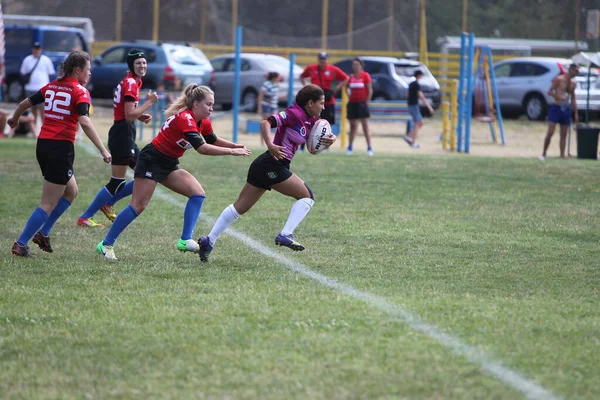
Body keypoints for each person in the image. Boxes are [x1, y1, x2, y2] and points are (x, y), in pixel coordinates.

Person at [96, 84, 251, 261]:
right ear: (196, 104)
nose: (211, 108)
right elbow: (202, 148)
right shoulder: (185, 118)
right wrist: (232, 152)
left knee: (197, 193)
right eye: (208, 104)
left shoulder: (203, 120)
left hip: (168, 163)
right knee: (138, 205)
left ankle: (184, 240)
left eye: (212, 104)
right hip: (152, 160)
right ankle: (106, 244)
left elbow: (212, 139)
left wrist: (235, 146)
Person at [197, 84, 336, 262]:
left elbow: (314, 144)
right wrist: (270, 144)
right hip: (272, 165)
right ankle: (286, 234)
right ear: (310, 103)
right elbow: (265, 122)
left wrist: (331, 139)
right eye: (321, 103)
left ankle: (209, 241)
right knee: (307, 196)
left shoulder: (311, 118)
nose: (323, 107)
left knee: (239, 207)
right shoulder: (294, 114)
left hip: (265, 165)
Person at [10, 51, 111, 257]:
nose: (89, 73)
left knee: (71, 191)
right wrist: (103, 149)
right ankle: (20, 243)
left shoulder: (51, 86)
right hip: (59, 148)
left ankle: (43, 233)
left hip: (44, 145)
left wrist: (14, 119)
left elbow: (24, 104)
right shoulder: (80, 91)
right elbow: (84, 120)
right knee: (48, 202)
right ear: (77, 70)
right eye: (88, 69)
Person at [77, 49, 158, 228]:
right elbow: (128, 115)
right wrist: (149, 103)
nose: (142, 66)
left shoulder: (133, 81)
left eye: (144, 63)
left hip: (126, 131)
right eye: (138, 63)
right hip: (122, 134)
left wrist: (140, 115)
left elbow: (127, 113)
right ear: (131, 66)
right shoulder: (130, 83)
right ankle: (86, 216)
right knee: (118, 180)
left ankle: (108, 204)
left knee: (145, 173)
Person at [299, 52, 348, 150]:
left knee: (327, 124)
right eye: (321, 59)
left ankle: (325, 147)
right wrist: (306, 87)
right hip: (314, 99)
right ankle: (303, 146)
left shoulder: (333, 69)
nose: (323, 61)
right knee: (308, 122)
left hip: (328, 100)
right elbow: (302, 76)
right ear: (318, 60)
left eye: (324, 59)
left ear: (327, 60)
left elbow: (346, 78)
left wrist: (337, 87)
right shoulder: (312, 68)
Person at [540, 63, 579, 160]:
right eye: (576, 71)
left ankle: (562, 154)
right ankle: (544, 153)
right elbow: (550, 92)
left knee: (564, 134)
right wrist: (559, 97)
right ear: (571, 70)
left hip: (566, 109)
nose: (577, 73)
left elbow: (573, 98)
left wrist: (576, 113)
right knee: (550, 132)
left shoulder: (573, 83)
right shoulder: (559, 79)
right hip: (556, 108)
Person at [20, 42, 56, 128]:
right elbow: (23, 72)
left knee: (43, 109)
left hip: (42, 88)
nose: (36, 50)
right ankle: (34, 128)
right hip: (30, 87)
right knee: (33, 109)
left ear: (41, 50)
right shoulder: (27, 59)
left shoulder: (46, 60)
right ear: (32, 49)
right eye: (35, 49)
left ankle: (44, 127)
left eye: (38, 49)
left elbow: (51, 73)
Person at [346, 58, 374, 156]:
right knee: (353, 126)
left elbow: (369, 89)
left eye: (357, 64)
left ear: (361, 66)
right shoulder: (351, 77)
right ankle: (349, 147)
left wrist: (367, 101)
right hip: (353, 103)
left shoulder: (365, 76)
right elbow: (347, 88)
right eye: (354, 64)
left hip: (362, 103)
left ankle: (369, 147)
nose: (355, 66)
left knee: (365, 126)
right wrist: (350, 97)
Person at [404, 70, 434, 149]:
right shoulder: (416, 84)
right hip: (414, 105)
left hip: (412, 105)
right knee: (417, 123)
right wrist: (429, 107)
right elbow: (421, 96)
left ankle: (408, 136)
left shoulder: (411, 84)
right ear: (419, 75)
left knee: (420, 123)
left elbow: (407, 94)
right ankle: (412, 142)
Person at [257, 71, 280, 146]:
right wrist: (259, 107)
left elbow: (275, 96)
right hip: (266, 106)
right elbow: (260, 95)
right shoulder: (266, 84)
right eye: (278, 77)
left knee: (277, 124)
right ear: (274, 77)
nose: (279, 78)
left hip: (274, 106)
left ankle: (274, 142)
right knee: (265, 124)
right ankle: (262, 143)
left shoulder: (276, 85)